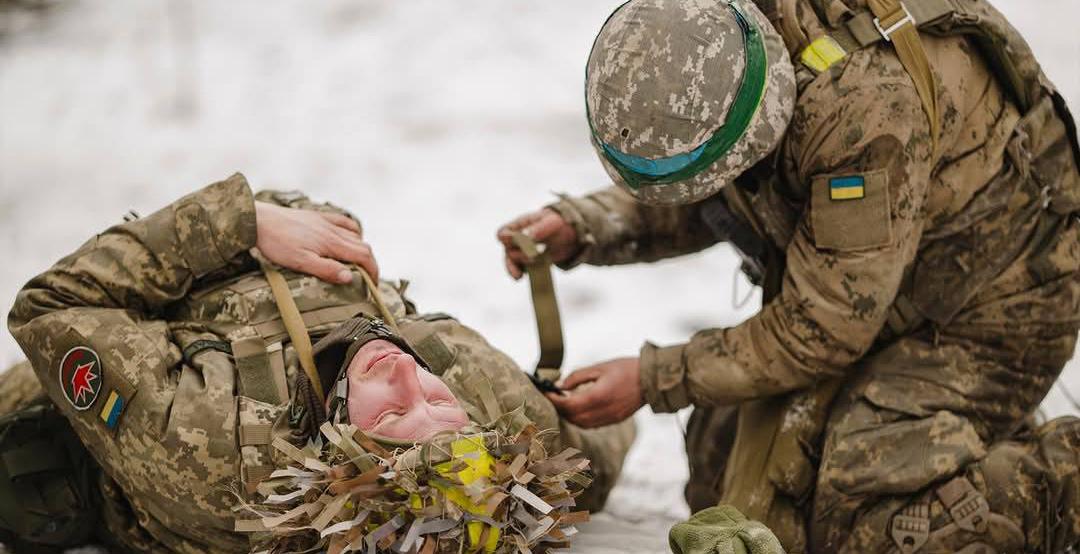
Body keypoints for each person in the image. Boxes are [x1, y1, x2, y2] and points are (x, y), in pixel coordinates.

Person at [498, 0, 1080, 552]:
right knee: (723, 477)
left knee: (861, 522)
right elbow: (714, 181)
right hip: (879, 283)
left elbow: (821, 328)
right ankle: (939, 434)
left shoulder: (862, 112)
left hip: (993, 311)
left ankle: (1060, 476)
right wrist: (584, 226)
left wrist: (653, 379)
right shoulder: (735, 45)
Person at [2, 174, 634, 553]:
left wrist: (238, 222)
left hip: (131, 396)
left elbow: (53, 303)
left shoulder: (206, 443)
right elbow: (593, 451)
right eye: (440, 406)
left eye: (390, 411)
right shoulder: (499, 416)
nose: (406, 370)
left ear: (337, 450)